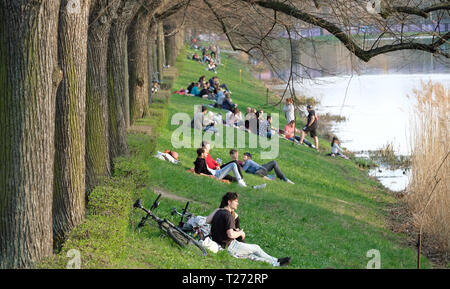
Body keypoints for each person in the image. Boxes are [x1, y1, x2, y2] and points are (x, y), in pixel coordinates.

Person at [209, 192, 291, 266]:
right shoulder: (228, 216)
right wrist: (240, 233)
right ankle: (276, 260)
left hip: (218, 243)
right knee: (256, 248)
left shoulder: (218, 212)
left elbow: (207, 220)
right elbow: (230, 234)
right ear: (229, 202)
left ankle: (275, 263)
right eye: (236, 201)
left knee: (250, 255)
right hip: (229, 246)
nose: (238, 203)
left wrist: (217, 210)